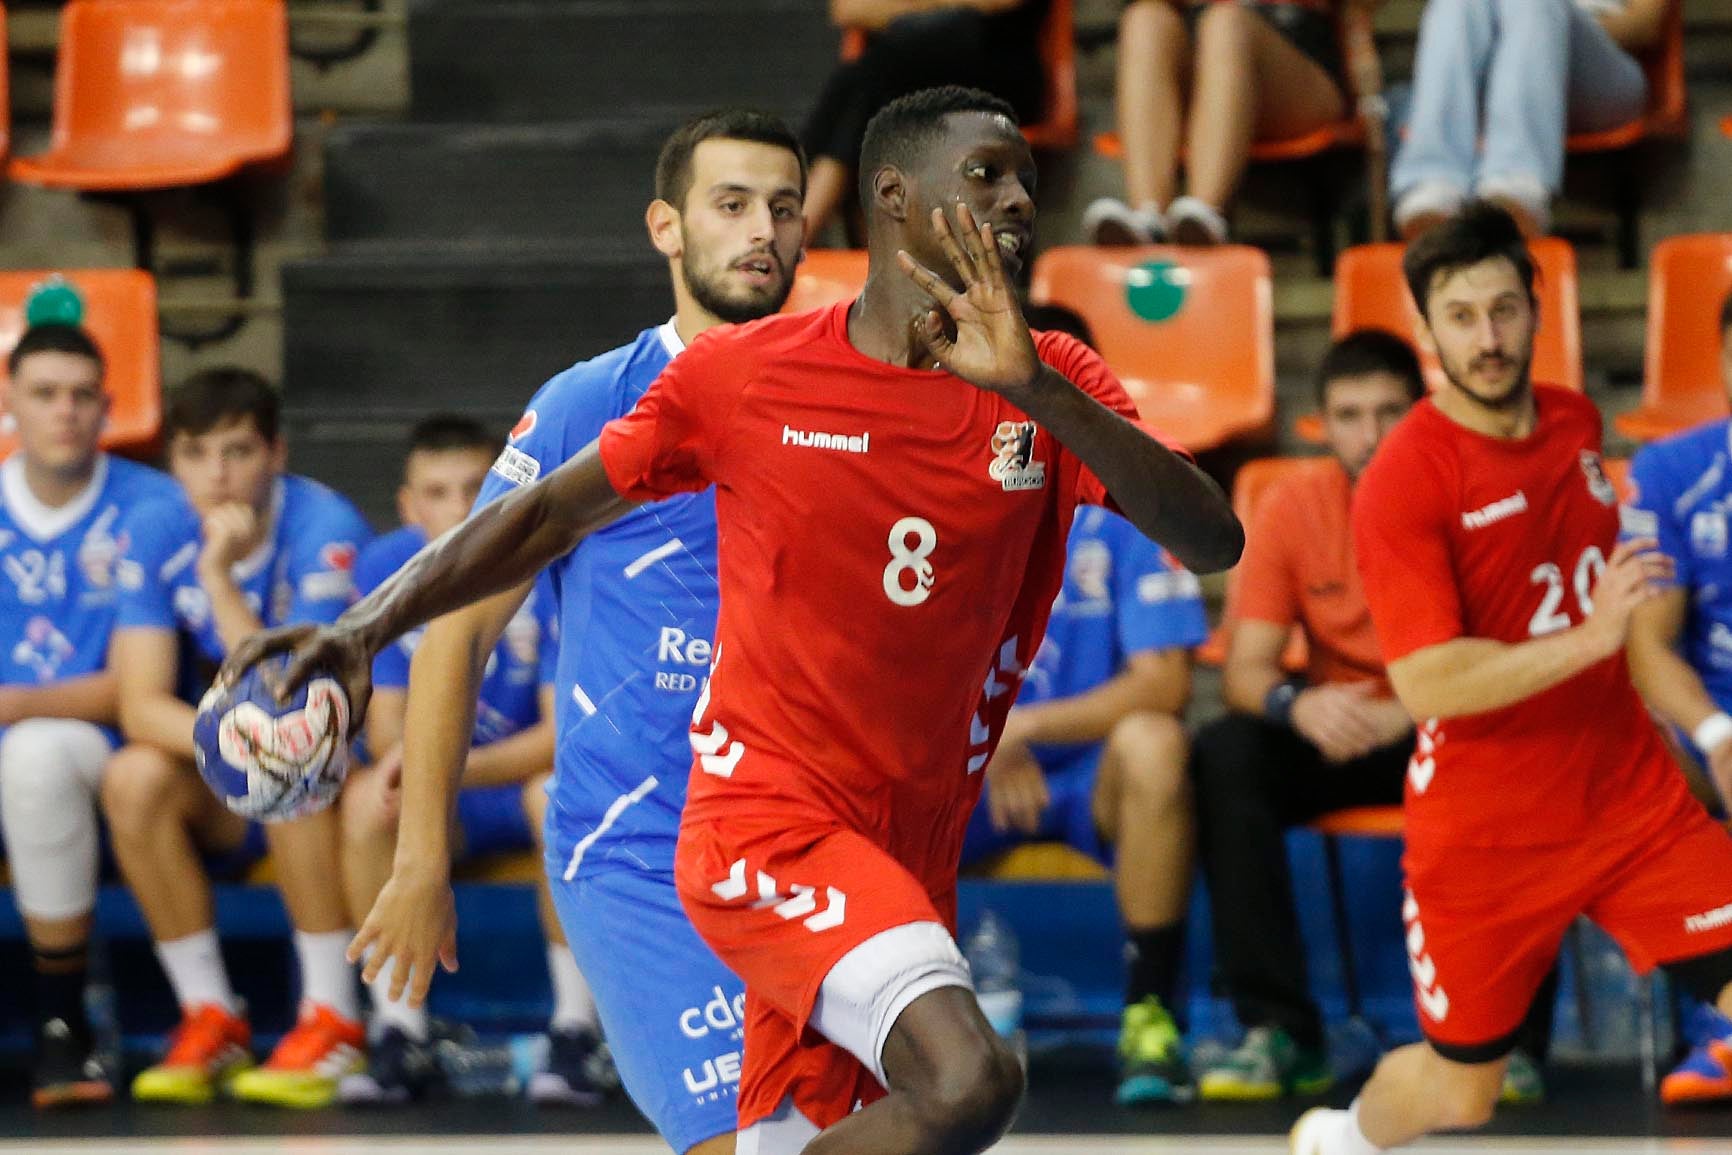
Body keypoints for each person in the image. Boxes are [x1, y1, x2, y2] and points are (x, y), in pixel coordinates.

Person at [225, 85, 1241, 1155]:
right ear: (891, 198)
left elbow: (1211, 536)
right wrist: (363, 639)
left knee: (824, 1137)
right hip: (708, 834)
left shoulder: (1042, 381)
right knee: (968, 1082)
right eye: (987, 175)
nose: (1020, 199)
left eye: (782, 204)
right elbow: (513, 553)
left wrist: (1035, 390)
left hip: (896, 835)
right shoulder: (706, 382)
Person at [335, 109, 804, 1151]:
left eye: (782, 207)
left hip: (806, 847)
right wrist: (420, 867)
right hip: (638, 850)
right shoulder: (585, 404)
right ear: (666, 228)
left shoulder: (843, 397)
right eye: (730, 205)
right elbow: (455, 632)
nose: (760, 229)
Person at [1291, 201, 1732, 1155]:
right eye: (1460, 316)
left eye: (1503, 309)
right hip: (1486, 835)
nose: (1486, 339)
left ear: (1537, 307)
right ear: (1426, 329)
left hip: (1628, 800)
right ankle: (1340, 1136)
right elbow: (1428, 684)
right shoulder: (1405, 478)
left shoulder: (1576, 422)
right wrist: (1593, 636)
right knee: (1465, 1094)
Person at [1194, 330, 1559, 1105]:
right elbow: (1246, 673)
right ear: (1322, 424)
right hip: (1340, 729)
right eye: (1349, 415)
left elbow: (1516, 663)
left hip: (1452, 724)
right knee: (1227, 751)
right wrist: (1300, 704)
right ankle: (1281, 1030)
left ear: (1422, 415)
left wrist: (1417, 708)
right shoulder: (1295, 506)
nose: (1369, 435)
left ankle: (1506, 1037)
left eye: (1388, 412)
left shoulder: (1483, 501)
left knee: (1521, 753)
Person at [105, 369, 373, 1107]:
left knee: (292, 759)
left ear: (276, 453)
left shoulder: (327, 528)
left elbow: (291, 700)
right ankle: (210, 1014)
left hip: (341, 768)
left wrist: (219, 580)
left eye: (238, 451)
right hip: (230, 773)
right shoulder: (157, 526)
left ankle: (334, 1019)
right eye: (195, 453)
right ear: (173, 461)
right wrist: (236, 739)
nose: (216, 474)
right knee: (132, 775)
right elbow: (139, 703)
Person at [336, 416, 605, 1106]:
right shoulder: (385, 564)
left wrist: (439, 765)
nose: (461, 507)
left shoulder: (550, 559)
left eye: (476, 487)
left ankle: (577, 1032)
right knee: (368, 798)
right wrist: (413, 769)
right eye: (439, 491)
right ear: (408, 505)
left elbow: (558, 733)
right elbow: (387, 729)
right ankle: (399, 1033)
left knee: (555, 791)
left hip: (522, 779)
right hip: (455, 792)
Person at [960, 504, 1207, 1105]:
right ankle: (886, 1026)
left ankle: (1150, 1016)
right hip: (964, 766)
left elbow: (1165, 684)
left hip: (1089, 776)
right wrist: (982, 733)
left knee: (1156, 744)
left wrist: (1021, 727)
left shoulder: (1135, 508)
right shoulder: (935, 501)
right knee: (862, 766)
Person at [0, 323, 180, 1107]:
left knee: (37, 753)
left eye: (82, 396)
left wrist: (15, 703)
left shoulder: (156, 505)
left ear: (109, 406)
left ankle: (63, 1028)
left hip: (117, 746)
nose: (65, 412)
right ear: (11, 403)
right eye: (45, 394)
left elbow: (146, 690)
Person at [1623, 293, 1732, 1105]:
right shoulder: (1669, 471)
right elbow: (1647, 644)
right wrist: (1719, 733)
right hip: (1707, 726)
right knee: (1630, 751)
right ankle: (1718, 1022)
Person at [1083, 0, 1375, 247]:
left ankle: (1204, 216)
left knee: (1227, 23)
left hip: (1299, 60)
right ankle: (1148, 217)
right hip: (1198, 57)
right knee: (1144, 19)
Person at [1390, 0, 1671, 239]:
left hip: (1602, 75)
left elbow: (1646, 25)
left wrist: (1548, 28)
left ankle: (1514, 181)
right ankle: (1433, 180)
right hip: (1495, 66)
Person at [802, 0, 1048, 242]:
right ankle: (810, 231)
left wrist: (903, 10)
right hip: (903, 79)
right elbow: (849, 9)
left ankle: (800, 227)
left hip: (995, 76)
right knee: (866, 87)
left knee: (866, 85)